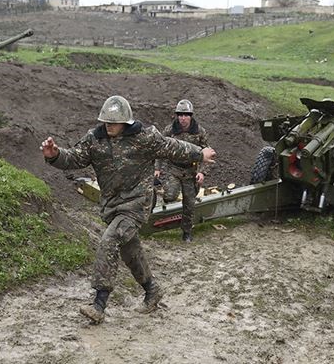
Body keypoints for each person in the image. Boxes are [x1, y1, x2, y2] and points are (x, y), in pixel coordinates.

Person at [41, 95, 216, 324]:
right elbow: (75, 158)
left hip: (137, 203)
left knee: (109, 240)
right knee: (130, 251)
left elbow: (171, 146)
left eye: (113, 122)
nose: (108, 126)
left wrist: (199, 153)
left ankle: (99, 304)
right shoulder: (95, 139)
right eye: (105, 121)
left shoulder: (144, 136)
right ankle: (151, 290)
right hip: (112, 205)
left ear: (126, 121)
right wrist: (54, 155)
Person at [154, 99, 209, 243]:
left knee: (189, 204)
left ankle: (187, 232)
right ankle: (166, 195)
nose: (183, 118)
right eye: (180, 115)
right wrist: (157, 168)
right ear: (177, 116)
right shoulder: (169, 130)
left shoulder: (200, 132)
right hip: (173, 168)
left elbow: (207, 154)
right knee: (171, 195)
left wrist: (202, 172)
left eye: (186, 115)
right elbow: (160, 149)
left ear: (191, 115)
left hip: (190, 171)